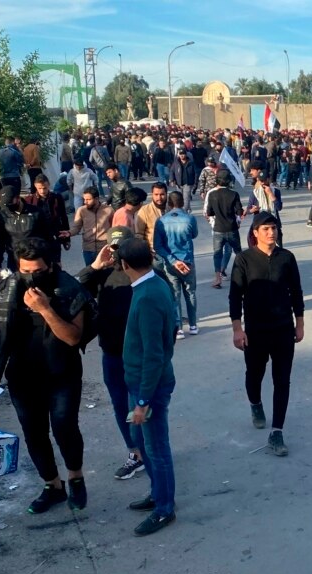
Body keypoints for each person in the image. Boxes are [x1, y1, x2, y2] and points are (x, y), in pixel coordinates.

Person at [0, 237, 96, 514]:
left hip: (62, 372)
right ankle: (53, 486)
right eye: (25, 270)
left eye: (37, 271)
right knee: (34, 433)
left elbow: (73, 338)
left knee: (64, 427)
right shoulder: (6, 291)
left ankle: (76, 478)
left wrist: (45, 309)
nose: (30, 277)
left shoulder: (70, 291)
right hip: (23, 376)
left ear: (51, 266)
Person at [117, 237, 180, 536]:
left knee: (156, 448)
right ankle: (157, 494)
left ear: (124, 264)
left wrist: (143, 401)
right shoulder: (152, 286)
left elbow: (154, 354)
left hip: (149, 385)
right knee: (144, 442)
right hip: (141, 382)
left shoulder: (147, 296)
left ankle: (164, 508)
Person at [229, 212, 305, 457]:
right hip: (256, 331)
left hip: (283, 328)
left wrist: (299, 323)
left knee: (282, 380)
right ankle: (255, 404)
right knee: (255, 374)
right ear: (255, 233)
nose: (271, 233)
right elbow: (235, 296)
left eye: (274, 228)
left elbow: (296, 291)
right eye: (266, 229)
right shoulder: (244, 259)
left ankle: (277, 432)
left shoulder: (287, 257)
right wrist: (237, 329)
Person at [76, 227, 147, 480]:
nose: (117, 254)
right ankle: (135, 453)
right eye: (114, 248)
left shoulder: (143, 274)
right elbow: (72, 288)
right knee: (120, 405)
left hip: (139, 355)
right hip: (112, 353)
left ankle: (151, 451)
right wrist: (94, 266)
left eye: (122, 248)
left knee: (142, 405)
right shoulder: (102, 274)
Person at [154, 191, 199, 338]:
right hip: (187, 261)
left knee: (175, 295)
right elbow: (194, 235)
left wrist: (173, 260)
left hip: (170, 263)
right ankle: (193, 325)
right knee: (190, 293)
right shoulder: (190, 219)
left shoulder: (161, 221)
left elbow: (158, 246)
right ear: (182, 203)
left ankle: (178, 327)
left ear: (169, 203)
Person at [0, 185, 56, 273]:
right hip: (14, 260)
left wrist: (55, 260)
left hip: (35, 259)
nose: (8, 207)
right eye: (5, 205)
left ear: (17, 198)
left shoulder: (36, 213)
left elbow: (49, 238)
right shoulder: (2, 216)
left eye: (10, 203)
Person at [204, 170, 243, 289]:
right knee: (239, 253)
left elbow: (209, 212)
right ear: (229, 181)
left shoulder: (212, 194)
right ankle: (244, 275)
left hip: (218, 229)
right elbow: (239, 211)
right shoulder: (234, 194)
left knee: (217, 254)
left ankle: (217, 279)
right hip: (232, 228)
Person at [70, 186, 113, 266]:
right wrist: (69, 233)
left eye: (88, 199)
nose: (85, 202)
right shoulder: (81, 210)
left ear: (96, 199)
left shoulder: (109, 210)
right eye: (84, 199)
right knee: (91, 274)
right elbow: (76, 227)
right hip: (88, 249)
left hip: (104, 249)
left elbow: (113, 228)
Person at [135, 182, 169, 252]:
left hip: (172, 251)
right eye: (156, 195)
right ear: (152, 195)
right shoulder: (144, 211)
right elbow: (139, 234)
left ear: (166, 194)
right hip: (153, 253)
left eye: (162, 194)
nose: (159, 198)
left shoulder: (172, 209)